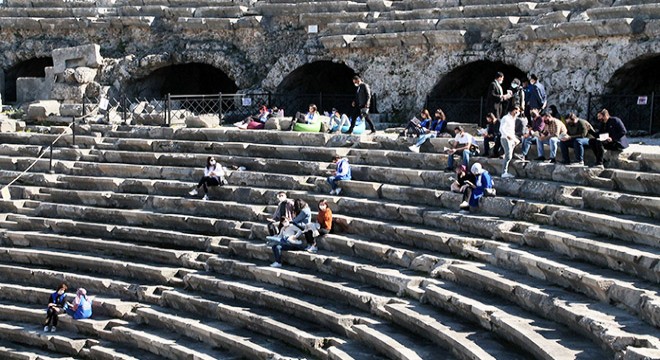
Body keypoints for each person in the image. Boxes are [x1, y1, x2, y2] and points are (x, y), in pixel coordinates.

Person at [499, 105, 521, 178]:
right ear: (513, 110)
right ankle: (504, 172)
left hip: (511, 139)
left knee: (509, 155)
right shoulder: (506, 118)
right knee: (508, 156)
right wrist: (506, 135)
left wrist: (515, 139)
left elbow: (511, 131)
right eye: (517, 110)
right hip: (506, 139)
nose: (518, 112)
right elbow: (502, 129)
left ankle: (505, 171)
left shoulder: (513, 119)